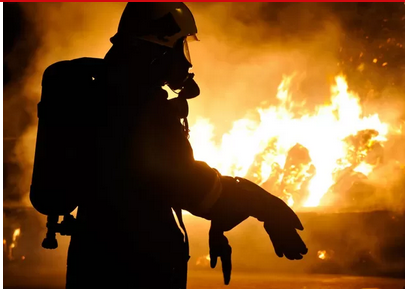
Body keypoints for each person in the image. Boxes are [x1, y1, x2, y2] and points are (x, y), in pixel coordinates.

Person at [33, 3, 307, 289]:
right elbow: (190, 187)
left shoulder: (105, 94)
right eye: (180, 48)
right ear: (157, 51)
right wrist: (261, 202)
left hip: (99, 259)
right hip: (136, 268)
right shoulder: (137, 109)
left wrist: (222, 216)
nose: (186, 63)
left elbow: (153, 185)